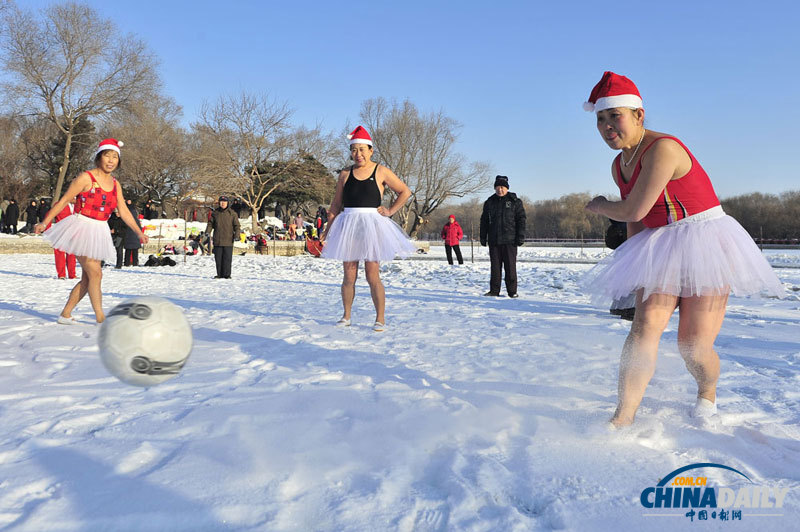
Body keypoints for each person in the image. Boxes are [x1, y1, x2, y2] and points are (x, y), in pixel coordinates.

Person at [581, 71, 783, 427]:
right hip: (660, 244)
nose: (606, 126)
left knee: (693, 346)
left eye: (615, 115)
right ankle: (623, 417)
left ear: (639, 115)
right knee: (643, 328)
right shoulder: (619, 164)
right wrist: (634, 264)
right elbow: (639, 223)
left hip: (705, 242)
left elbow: (633, 209)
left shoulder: (664, 149)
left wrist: (600, 205)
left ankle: (707, 391)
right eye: (600, 118)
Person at [35, 138, 148, 324]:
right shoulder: (86, 178)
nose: (111, 160)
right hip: (80, 227)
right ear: (99, 157)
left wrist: (138, 231)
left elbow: (124, 210)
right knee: (96, 273)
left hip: (100, 229)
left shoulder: (115, 184)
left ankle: (65, 314)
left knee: (88, 278)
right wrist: (45, 221)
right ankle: (101, 318)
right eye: (107, 156)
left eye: (115, 157)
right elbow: (64, 200)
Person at [321, 126, 415, 331]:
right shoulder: (345, 174)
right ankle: (346, 316)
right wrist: (327, 230)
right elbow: (336, 205)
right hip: (349, 226)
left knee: (372, 275)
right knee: (349, 275)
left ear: (371, 150)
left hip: (372, 226)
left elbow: (405, 191)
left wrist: (390, 211)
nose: (358, 154)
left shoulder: (380, 171)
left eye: (362, 149)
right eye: (354, 150)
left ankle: (380, 318)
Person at [479, 175, 526, 298]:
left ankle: (512, 291)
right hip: (494, 240)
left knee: (510, 267)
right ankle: (494, 291)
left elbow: (521, 220)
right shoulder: (489, 202)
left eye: (502, 187)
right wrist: (483, 237)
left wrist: (520, 236)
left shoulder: (515, 201)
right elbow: (484, 221)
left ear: (507, 188)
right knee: (495, 268)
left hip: (510, 241)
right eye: (498, 187)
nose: (500, 190)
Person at [605, 219, 635, 320]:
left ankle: (621, 307)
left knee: (626, 283)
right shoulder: (621, 226)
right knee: (630, 283)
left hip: (626, 255)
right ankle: (627, 308)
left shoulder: (620, 225)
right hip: (627, 256)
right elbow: (611, 243)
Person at [205, 195, 240, 279]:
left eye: (224, 202)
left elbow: (237, 226)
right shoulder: (215, 213)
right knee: (218, 259)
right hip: (218, 239)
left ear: (227, 203)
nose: (223, 203)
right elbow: (210, 224)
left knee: (227, 259)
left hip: (228, 240)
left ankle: (227, 275)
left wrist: (237, 235)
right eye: (221, 202)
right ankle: (219, 274)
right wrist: (207, 232)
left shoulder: (232, 213)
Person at [47, 197, 78, 279]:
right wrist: (48, 229)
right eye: (74, 198)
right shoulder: (59, 204)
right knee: (60, 254)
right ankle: (61, 274)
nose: (76, 200)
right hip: (60, 232)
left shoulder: (78, 206)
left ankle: (72, 274)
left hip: (73, 233)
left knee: (71, 254)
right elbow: (49, 215)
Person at [123, 198, 143, 266]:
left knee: (128, 251)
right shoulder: (137, 220)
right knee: (135, 251)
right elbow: (140, 228)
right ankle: (135, 263)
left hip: (128, 237)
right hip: (135, 237)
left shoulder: (126, 220)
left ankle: (126, 263)